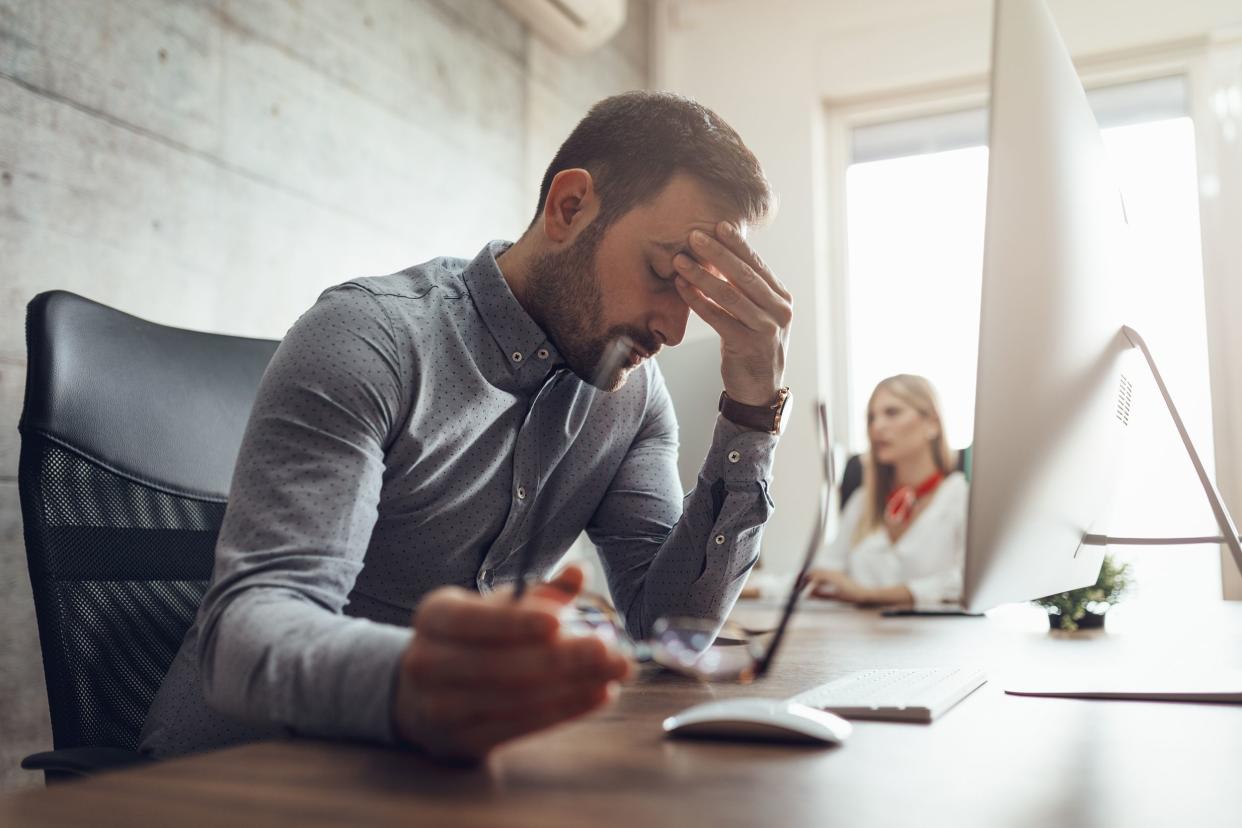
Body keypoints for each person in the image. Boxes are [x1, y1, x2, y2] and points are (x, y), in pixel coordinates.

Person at [139, 91, 794, 762]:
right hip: (236, 777)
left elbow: (668, 628)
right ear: (570, 208)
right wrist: (415, 682)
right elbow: (242, 636)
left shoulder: (628, 396)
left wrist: (751, 410)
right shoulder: (370, 338)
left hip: (439, 783)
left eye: (695, 295)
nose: (674, 329)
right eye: (663, 273)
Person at [805, 374, 966, 609]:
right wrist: (749, 586)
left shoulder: (961, 497)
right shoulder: (863, 501)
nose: (876, 427)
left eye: (892, 413)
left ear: (931, 423)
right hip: (863, 639)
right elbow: (823, 573)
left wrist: (871, 595)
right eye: (871, 418)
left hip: (936, 641)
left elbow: (966, 581)